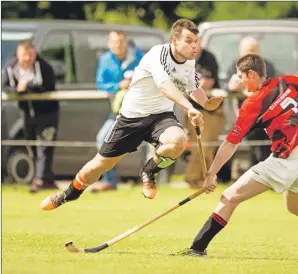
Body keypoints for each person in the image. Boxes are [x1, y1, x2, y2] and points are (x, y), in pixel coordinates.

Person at [176, 54, 298, 257]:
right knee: (297, 207)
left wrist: (211, 173)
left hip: (283, 161)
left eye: (241, 76)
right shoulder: (288, 82)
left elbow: (231, 143)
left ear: (252, 74)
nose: (239, 80)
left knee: (229, 197)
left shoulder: (253, 104)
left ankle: (197, 249)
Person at [40, 19, 224, 210]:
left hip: (161, 116)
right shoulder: (157, 54)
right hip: (131, 118)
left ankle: (149, 170)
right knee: (99, 165)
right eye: (189, 40)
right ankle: (67, 194)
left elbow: (193, 86)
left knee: (178, 141)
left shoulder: (189, 62)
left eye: (196, 41)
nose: (194, 46)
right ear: (175, 41)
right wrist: (189, 107)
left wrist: (205, 103)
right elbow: (164, 86)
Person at [1, 40, 59, 193]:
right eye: (24, 55)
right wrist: (17, 90)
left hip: (47, 113)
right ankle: (46, 179)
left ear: (34, 54)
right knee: (32, 146)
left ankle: (40, 180)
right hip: (27, 113)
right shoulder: (10, 68)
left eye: (30, 54)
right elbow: (5, 86)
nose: (27, 58)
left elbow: (48, 86)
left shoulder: (44, 67)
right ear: (18, 55)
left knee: (45, 146)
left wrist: (28, 88)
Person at [92, 30, 144, 193]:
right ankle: (109, 181)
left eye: (121, 42)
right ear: (109, 44)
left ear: (126, 42)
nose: (118, 45)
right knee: (102, 139)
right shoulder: (105, 59)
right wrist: (119, 85)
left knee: (150, 143)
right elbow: (101, 83)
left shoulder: (138, 57)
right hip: (118, 112)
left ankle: (149, 180)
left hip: (143, 110)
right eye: (114, 42)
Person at [226, 36, 276, 167]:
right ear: (240, 51)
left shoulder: (267, 66)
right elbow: (225, 85)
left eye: (254, 50)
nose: (251, 54)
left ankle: (265, 175)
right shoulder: (234, 66)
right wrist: (231, 87)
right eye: (248, 50)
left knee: (265, 148)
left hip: (266, 114)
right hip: (245, 115)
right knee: (253, 148)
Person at [184, 42, 225, 188]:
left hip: (211, 110)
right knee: (199, 146)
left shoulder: (209, 58)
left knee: (205, 145)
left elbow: (207, 83)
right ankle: (202, 179)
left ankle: (194, 178)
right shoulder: (183, 59)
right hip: (192, 109)